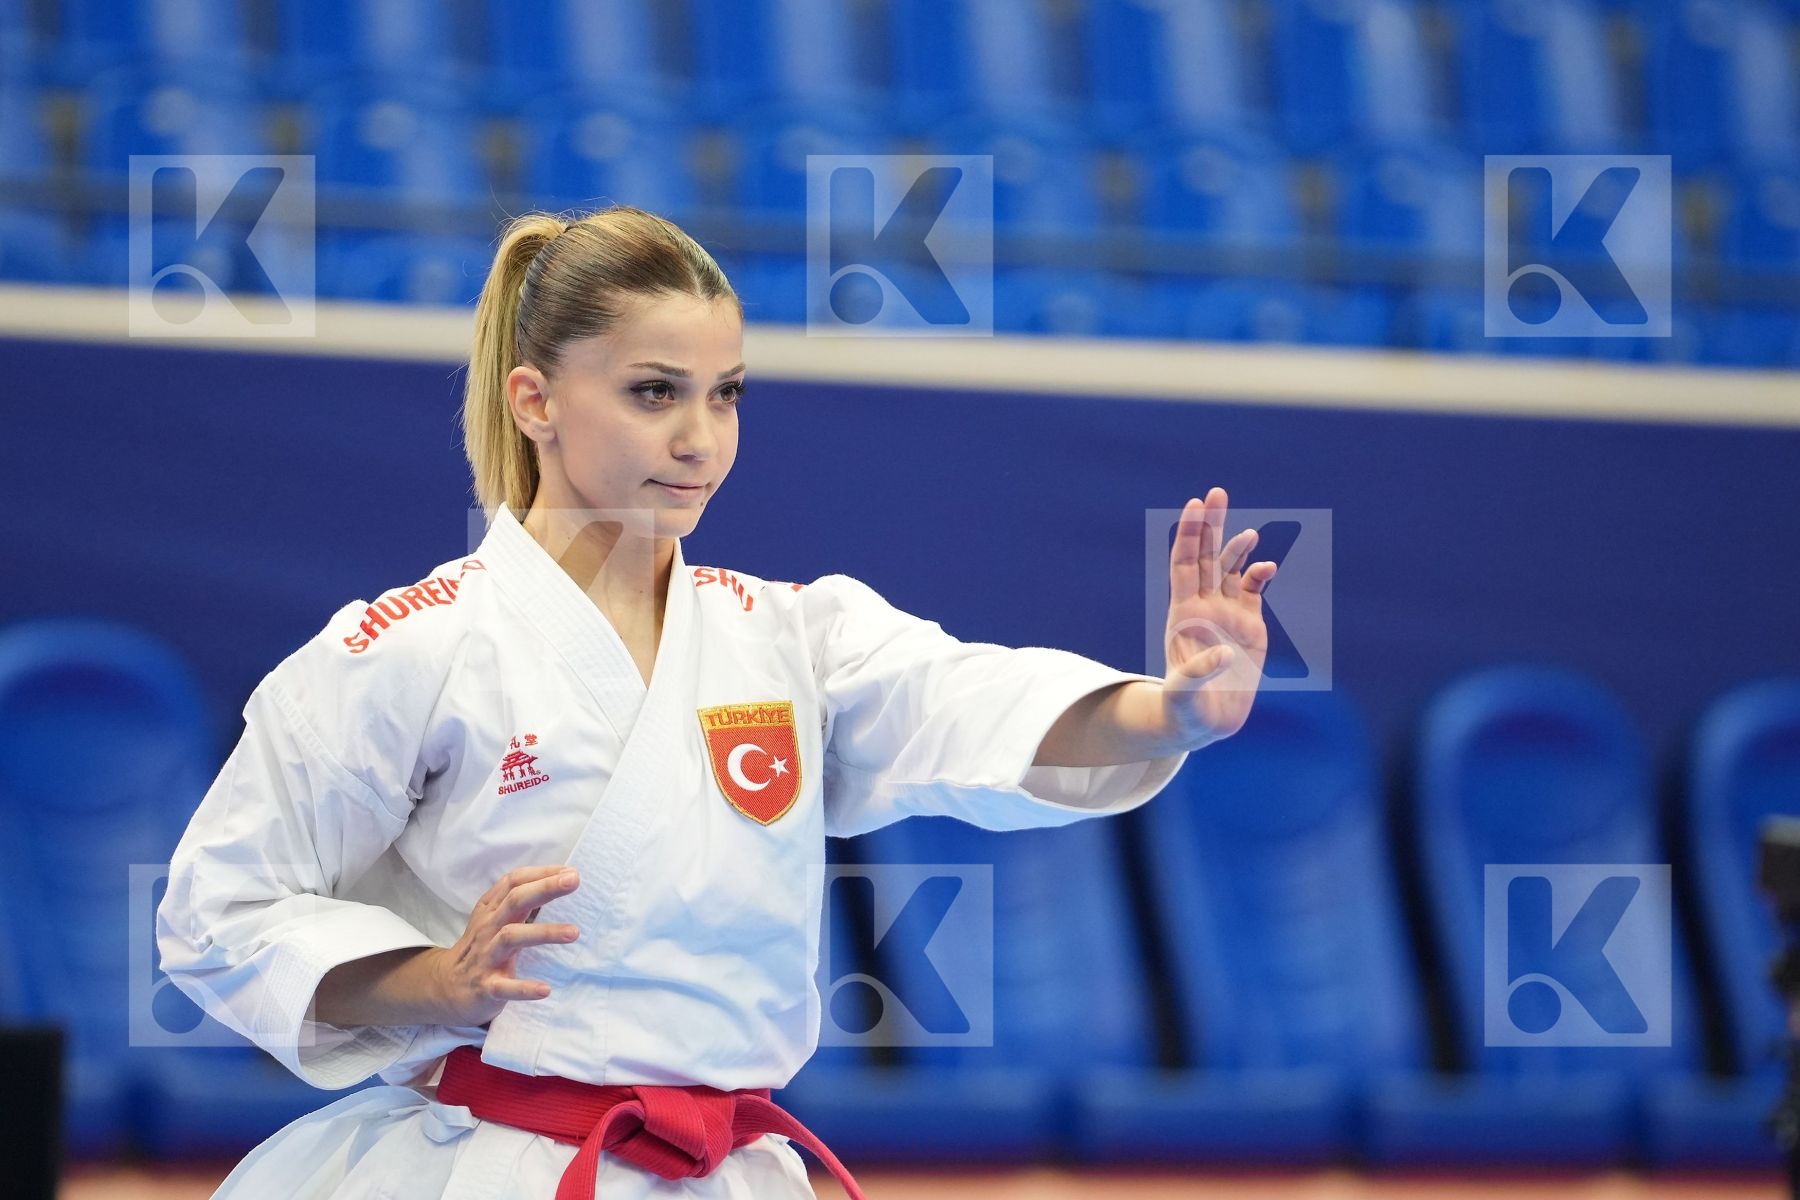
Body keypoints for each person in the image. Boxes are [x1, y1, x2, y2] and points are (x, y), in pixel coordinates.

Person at [156, 204, 1280, 1199]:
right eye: (654, 393)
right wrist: (433, 982)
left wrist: (1171, 712)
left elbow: (963, 703)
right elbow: (219, 910)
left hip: (733, 1170)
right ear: (535, 400)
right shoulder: (416, 644)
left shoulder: (787, 636)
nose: (699, 440)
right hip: (500, 1162)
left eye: (726, 394)